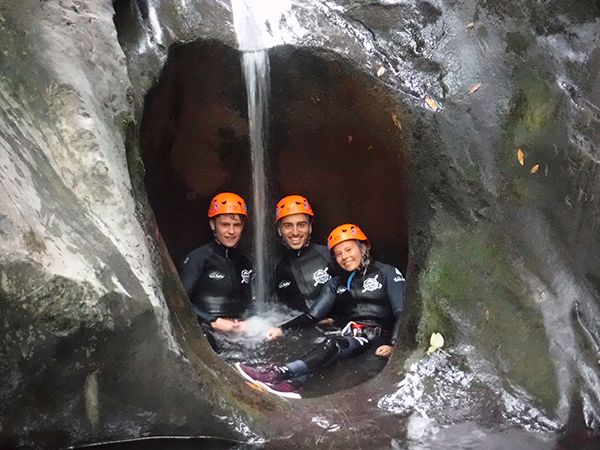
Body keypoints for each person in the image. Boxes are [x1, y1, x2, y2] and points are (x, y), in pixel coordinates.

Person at [236, 223, 405, 399]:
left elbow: (401, 312)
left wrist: (394, 345)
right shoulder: (336, 283)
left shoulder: (387, 272)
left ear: (363, 247)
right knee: (324, 344)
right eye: (338, 254)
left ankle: (277, 373)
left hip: (375, 337)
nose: (344, 257)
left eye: (348, 249)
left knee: (332, 344)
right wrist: (282, 329)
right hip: (351, 335)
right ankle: (290, 386)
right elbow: (313, 315)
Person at [180, 192, 253, 351]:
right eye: (225, 225)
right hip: (206, 330)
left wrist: (250, 321)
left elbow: (249, 302)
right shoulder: (197, 258)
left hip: (237, 332)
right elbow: (179, 301)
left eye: (237, 225)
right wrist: (213, 321)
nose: (231, 231)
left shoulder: (244, 261)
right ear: (213, 224)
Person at [273, 195, 336, 313]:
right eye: (288, 226)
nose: (295, 232)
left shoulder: (329, 255)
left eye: (301, 225)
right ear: (279, 230)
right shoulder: (273, 265)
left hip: (332, 328)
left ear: (310, 227)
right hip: (291, 328)